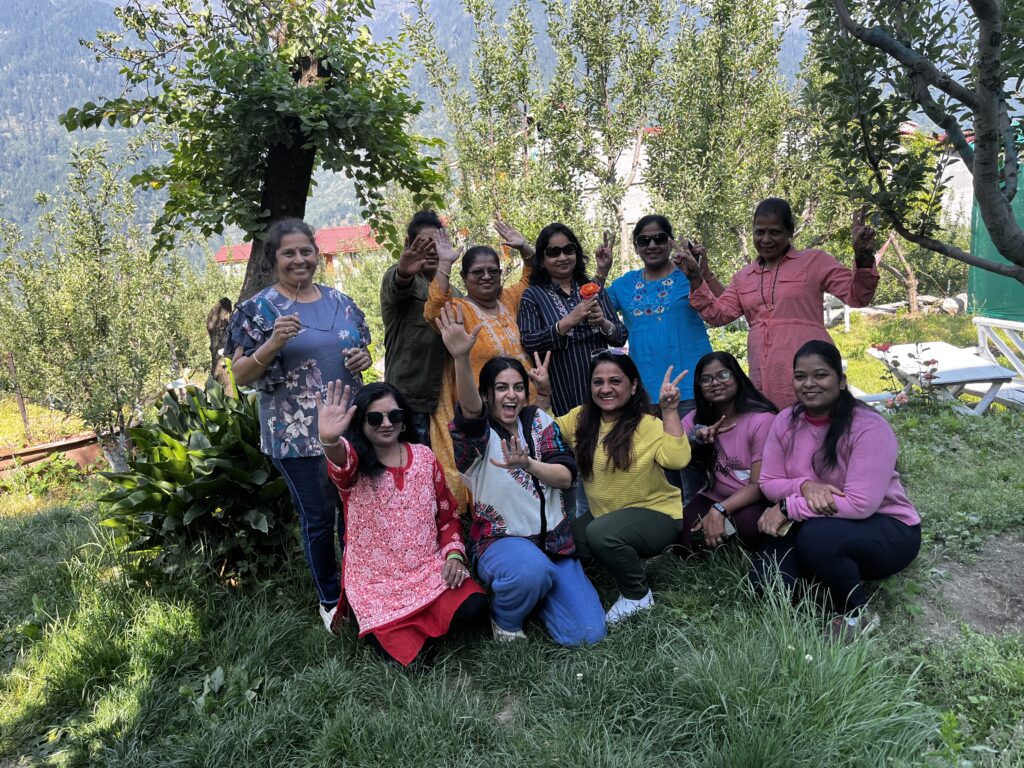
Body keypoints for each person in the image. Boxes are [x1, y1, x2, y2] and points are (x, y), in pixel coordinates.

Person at [228, 218, 372, 633]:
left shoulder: (341, 302)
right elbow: (240, 375)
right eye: (288, 252)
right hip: (296, 436)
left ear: (316, 254)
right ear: (273, 259)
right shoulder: (258, 310)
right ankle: (330, 601)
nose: (299, 259)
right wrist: (273, 343)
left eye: (306, 251)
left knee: (355, 513)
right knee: (319, 518)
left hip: (347, 427)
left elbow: (360, 350)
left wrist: (362, 358)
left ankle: (360, 589)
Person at [437, 302, 606, 645]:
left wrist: (528, 464)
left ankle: (536, 592)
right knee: (530, 571)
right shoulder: (476, 435)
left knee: (588, 633)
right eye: (501, 388)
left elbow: (566, 477)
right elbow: (470, 411)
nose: (511, 395)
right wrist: (460, 359)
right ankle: (506, 618)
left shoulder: (538, 421)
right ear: (487, 395)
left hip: (555, 545)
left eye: (517, 387)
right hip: (501, 543)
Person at [752, 340, 921, 641]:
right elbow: (768, 482)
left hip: (886, 528)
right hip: (816, 520)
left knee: (818, 538)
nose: (809, 384)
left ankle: (856, 613)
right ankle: (831, 575)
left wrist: (789, 507)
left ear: (841, 381)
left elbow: (860, 504)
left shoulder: (869, 427)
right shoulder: (785, 421)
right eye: (800, 376)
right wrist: (805, 486)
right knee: (768, 586)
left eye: (820, 375)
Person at [317, 381, 487, 665]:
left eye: (394, 415)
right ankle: (382, 623)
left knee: (477, 608)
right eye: (375, 418)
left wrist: (454, 557)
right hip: (377, 586)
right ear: (361, 424)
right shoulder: (355, 465)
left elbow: (447, 516)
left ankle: (422, 621)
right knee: (417, 662)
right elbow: (340, 465)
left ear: (403, 418)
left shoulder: (424, 457)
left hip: (427, 573)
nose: (386, 424)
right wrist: (330, 441)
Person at [682, 199, 879, 410]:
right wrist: (696, 278)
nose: (766, 239)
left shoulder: (815, 261)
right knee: (772, 426)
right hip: (764, 376)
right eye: (759, 232)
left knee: (818, 424)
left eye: (775, 232)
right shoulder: (743, 277)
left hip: (811, 372)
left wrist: (863, 258)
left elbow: (858, 296)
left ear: (790, 231)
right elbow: (717, 315)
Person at [554, 350, 692, 624]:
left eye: (615, 381)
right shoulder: (581, 418)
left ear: (633, 386)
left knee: (601, 534)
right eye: (598, 382)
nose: (606, 389)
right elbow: (549, 431)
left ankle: (637, 595)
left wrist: (669, 411)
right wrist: (545, 396)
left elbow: (677, 460)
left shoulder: (648, 424)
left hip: (658, 514)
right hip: (607, 514)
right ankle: (623, 560)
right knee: (566, 540)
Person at [423, 219, 535, 509]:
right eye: (477, 272)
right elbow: (434, 309)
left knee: (532, 471)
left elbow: (531, 278)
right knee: (498, 479)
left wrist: (525, 248)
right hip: (486, 412)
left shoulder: (508, 299)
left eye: (493, 271)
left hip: (527, 403)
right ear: (464, 277)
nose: (486, 277)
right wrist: (444, 264)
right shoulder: (459, 309)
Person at [517, 224, 627, 416]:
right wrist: (567, 322)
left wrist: (603, 323)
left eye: (568, 249)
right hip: (563, 394)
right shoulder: (533, 296)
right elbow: (529, 342)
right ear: (542, 261)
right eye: (553, 252)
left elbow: (620, 337)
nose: (562, 257)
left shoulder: (592, 289)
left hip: (602, 391)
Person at [679, 352, 778, 552]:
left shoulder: (761, 420)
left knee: (748, 527)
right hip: (714, 495)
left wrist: (720, 510)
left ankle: (726, 537)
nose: (715, 383)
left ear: (737, 377)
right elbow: (671, 455)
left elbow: (759, 485)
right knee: (681, 536)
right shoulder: (695, 418)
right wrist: (695, 439)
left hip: (753, 498)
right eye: (706, 379)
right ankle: (717, 536)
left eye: (723, 375)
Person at [380, 210, 455, 445]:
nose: (432, 250)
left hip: (448, 401)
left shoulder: (454, 292)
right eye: (425, 244)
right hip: (410, 402)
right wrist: (403, 272)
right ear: (409, 245)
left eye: (437, 243)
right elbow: (397, 285)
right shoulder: (405, 280)